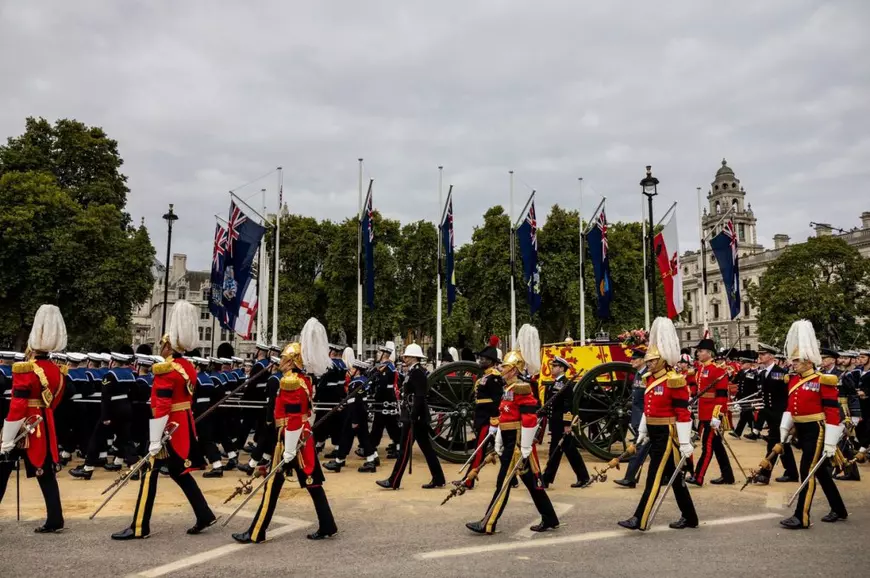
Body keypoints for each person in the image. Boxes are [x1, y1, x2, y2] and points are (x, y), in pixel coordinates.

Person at [111, 300, 216, 540]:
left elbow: (161, 406)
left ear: (169, 346)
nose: (161, 349)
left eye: (163, 345)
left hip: (167, 426)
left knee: (150, 471)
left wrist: (155, 439)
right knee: (180, 472)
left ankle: (140, 526)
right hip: (182, 424)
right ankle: (204, 513)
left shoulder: (166, 370)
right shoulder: (187, 366)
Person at [232, 318, 337, 543]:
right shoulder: (303, 380)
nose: (281, 361)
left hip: (291, 439)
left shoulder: (290, 382)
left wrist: (288, 449)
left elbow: (291, 419)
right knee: (310, 482)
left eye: (284, 358)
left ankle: (256, 532)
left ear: (291, 362)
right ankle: (327, 524)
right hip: (299, 437)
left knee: (283, 484)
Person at [465, 344, 559, 535]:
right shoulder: (508, 387)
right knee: (532, 483)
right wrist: (499, 439)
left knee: (503, 482)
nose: (501, 369)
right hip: (509, 439)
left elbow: (529, 419)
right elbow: (504, 416)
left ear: (514, 369)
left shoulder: (521, 388)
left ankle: (488, 523)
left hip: (517, 444)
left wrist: (524, 446)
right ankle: (550, 517)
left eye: (504, 367)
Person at [619, 317, 697, 531]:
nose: (649, 364)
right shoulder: (650, 380)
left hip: (667, 433)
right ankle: (690, 517)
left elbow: (683, 413)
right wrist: (643, 431)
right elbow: (648, 408)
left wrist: (684, 442)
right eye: (649, 361)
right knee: (675, 477)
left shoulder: (674, 380)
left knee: (653, 476)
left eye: (653, 361)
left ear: (662, 360)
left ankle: (640, 519)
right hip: (654, 431)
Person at [0, 304, 68, 533]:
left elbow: (17, 405)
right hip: (44, 423)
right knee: (46, 473)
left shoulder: (25, 369)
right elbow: (55, 402)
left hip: (24, 424)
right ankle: (55, 518)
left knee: (2, 467)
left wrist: (8, 435)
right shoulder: (58, 370)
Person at [779, 320, 848, 529]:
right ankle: (839, 508)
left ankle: (802, 516)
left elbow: (832, 412)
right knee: (819, 472)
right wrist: (784, 430)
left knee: (806, 470)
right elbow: (792, 407)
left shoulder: (823, 380)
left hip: (817, 430)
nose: (794, 363)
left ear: (809, 361)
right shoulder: (792, 380)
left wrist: (830, 443)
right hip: (801, 428)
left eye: (798, 360)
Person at [377, 343, 445, 490]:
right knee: (426, 449)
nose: (405, 358)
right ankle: (439, 478)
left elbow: (419, 397)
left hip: (414, 417)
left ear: (414, 357)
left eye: (407, 356)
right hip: (415, 416)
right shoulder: (414, 372)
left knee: (404, 450)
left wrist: (413, 416)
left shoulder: (418, 373)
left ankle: (394, 481)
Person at [687, 338, 734, 486]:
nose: (698, 353)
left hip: (712, 415)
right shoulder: (701, 369)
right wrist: (691, 395)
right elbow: (697, 388)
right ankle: (728, 476)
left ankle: (698, 476)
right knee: (717, 447)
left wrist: (717, 415)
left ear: (709, 353)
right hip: (703, 413)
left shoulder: (718, 370)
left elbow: (721, 397)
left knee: (707, 447)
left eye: (700, 351)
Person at [751, 344, 799, 485]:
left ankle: (765, 474)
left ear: (771, 356)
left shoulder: (781, 374)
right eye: (760, 354)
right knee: (781, 444)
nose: (760, 356)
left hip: (780, 415)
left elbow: (787, 395)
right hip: (769, 414)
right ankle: (791, 472)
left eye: (763, 354)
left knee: (774, 443)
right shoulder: (762, 373)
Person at [324, 359, 379, 473]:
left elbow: (356, 402)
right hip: (359, 413)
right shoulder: (361, 381)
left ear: (358, 371)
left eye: (353, 368)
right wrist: (344, 405)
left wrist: (354, 419)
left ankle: (339, 461)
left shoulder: (356, 383)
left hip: (355, 414)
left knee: (347, 438)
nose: (350, 370)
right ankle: (371, 459)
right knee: (363, 438)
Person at [542, 357, 589, 488]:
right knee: (567, 450)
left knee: (556, 451)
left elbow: (568, 406)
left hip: (561, 424)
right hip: (555, 422)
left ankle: (546, 479)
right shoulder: (553, 384)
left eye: (555, 366)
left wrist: (567, 424)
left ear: (562, 368)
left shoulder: (566, 385)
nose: (552, 368)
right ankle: (583, 477)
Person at [464, 345, 503, 489]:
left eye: (484, 358)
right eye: (480, 358)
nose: (480, 360)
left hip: (488, 419)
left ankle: (468, 480)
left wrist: (494, 420)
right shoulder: (485, 376)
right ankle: (514, 479)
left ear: (491, 361)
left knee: (479, 450)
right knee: (502, 450)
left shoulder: (494, 378)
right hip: (482, 417)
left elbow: (496, 402)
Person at [615, 347, 650, 488]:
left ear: (642, 360)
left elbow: (647, 400)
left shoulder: (646, 375)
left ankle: (630, 478)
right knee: (652, 450)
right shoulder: (638, 374)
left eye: (635, 359)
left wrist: (644, 421)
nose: (632, 361)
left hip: (643, 419)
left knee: (638, 450)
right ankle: (671, 474)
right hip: (638, 418)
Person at [315, 344, 349, 458]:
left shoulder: (330, 364)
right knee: (335, 423)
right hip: (337, 394)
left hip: (327, 396)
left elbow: (323, 382)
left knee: (321, 421)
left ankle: (319, 443)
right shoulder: (342, 364)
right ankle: (335, 447)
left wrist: (316, 397)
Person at [369, 342, 402, 459]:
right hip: (387, 397)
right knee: (388, 424)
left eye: (379, 352)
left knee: (381, 424)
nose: (377, 354)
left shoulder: (386, 367)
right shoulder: (388, 366)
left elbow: (382, 384)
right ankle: (373, 446)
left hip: (385, 398)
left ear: (384, 354)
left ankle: (371, 448)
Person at [730, 350, 759, 439]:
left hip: (749, 397)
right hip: (742, 397)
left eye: (744, 363)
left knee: (745, 413)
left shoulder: (753, 373)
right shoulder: (741, 372)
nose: (741, 364)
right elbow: (734, 381)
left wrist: (755, 397)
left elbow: (754, 386)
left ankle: (739, 432)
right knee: (748, 415)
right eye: (741, 363)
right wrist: (730, 374)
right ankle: (754, 432)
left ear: (749, 364)